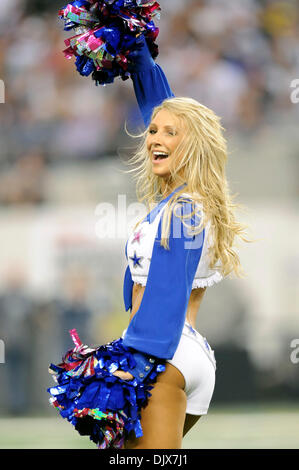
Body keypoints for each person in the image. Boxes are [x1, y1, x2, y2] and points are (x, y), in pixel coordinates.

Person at [48, 35, 249, 450]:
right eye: (152, 130)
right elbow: (163, 112)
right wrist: (141, 66)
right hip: (176, 353)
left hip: (160, 356)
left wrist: (130, 361)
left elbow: (167, 291)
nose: (154, 137)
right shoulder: (183, 197)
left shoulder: (185, 211)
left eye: (169, 133)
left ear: (192, 146)